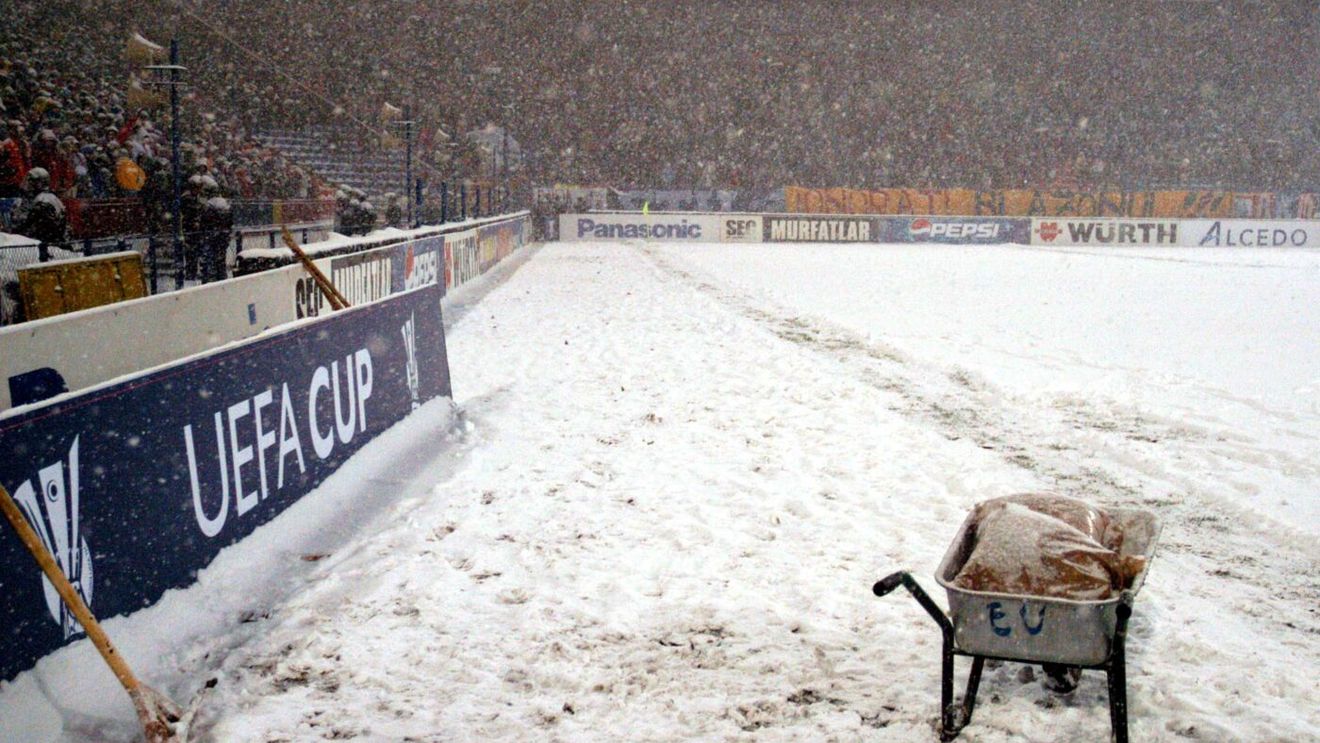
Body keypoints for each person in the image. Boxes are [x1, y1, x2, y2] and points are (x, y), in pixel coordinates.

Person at [12, 168, 67, 253]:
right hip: (51, 245)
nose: (28, 185)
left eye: (31, 183)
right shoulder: (49, 198)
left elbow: (27, 226)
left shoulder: (43, 201)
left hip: (47, 248)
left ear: (40, 184)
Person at [197, 176, 232, 283]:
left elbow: (204, 220)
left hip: (211, 234)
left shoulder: (209, 204)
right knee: (221, 258)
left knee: (208, 258)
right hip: (223, 234)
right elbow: (230, 220)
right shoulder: (224, 203)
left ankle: (208, 278)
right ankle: (221, 277)